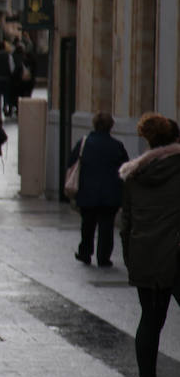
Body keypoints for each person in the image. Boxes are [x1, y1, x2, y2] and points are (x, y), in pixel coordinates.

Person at [119, 114, 180, 377]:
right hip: (175, 255)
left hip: (144, 255)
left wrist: (130, 257)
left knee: (150, 319)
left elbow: (126, 222)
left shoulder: (134, 175)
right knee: (156, 317)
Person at [67, 112, 129, 268]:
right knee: (106, 227)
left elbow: (71, 161)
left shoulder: (84, 143)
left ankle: (85, 253)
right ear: (111, 126)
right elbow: (125, 168)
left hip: (87, 192)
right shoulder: (117, 145)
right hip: (110, 194)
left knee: (87, 224)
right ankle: (103, 257)